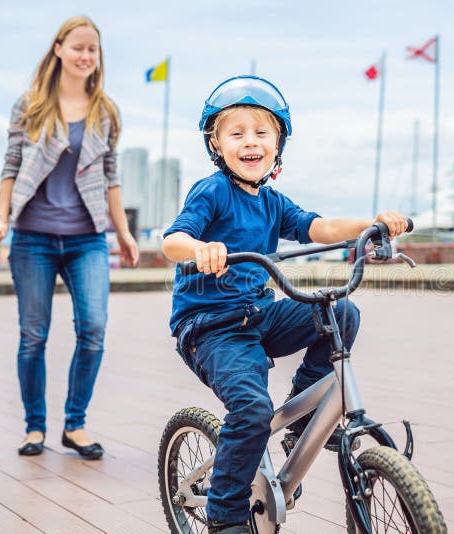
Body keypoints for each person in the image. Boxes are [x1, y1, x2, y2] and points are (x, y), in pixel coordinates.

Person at [161, 75, 408, 534]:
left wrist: (372, 225)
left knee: (341, 312)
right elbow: (173, 240)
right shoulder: (212, 191)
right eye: (236, 134)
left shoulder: (273, 202)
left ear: (278, 145)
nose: (250, 142)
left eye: (262, 133)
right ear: (216, 145)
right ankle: (225, 517)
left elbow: (320, 227)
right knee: (252, 410)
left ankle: (304, 412)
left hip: (258, 313)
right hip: (210, 327)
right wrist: (199, 249)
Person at [0, 16, 138, 460]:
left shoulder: (105, 111)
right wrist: (1, 218)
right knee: (34, 336)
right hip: (32, 236)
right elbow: (10, 166)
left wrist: (124, 233)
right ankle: (35, 427)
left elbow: (111, 178)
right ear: (58, 49)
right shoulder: (30, 105)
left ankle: (75, 424)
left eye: (93, 49)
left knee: (93, 329)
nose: (86, 56)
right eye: (78, 47)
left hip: (86, 238)